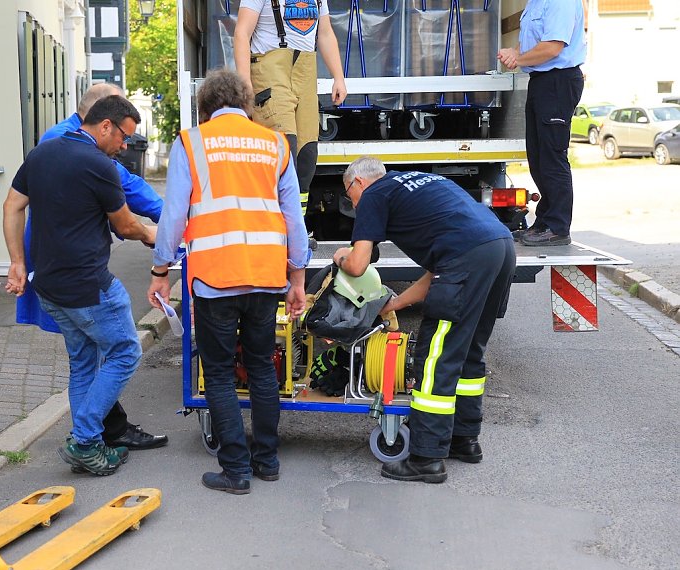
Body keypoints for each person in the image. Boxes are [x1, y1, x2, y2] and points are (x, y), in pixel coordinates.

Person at [148, 68, 310, 494]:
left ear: (205, 108)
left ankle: (236, 471)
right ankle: (268, 461)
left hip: (215, 278)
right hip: (265, 274)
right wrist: (298, 275)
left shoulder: (191, 142)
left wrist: (161, 270)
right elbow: (294, 217)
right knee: (260, 367)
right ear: (246, 103)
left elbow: (174, 216)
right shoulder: (274, 143)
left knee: (219, 373)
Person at [333, 157, 515, 484]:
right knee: (468, 350)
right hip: (499, 247)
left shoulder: (374, 194)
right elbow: (442, 269)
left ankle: (427, 457)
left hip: (468, 255)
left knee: (434, 358)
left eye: (350, 196)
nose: (354, 205)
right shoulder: (417, 182)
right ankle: (464, 440)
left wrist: (341, 258)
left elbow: (358, 265)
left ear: (357, 183)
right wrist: (395, 303)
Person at [3, 96, 157, 476]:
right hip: (90, 286)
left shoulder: (43, 153)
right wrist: (154, 234)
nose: (124, 146)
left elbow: (11, 206)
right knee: (125, 352)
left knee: (84, 362)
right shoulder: (99, 164)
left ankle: (88, 443)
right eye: (124, 137)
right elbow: (125, 225)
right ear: (105, 125)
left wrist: (18, 263)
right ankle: (85, 440)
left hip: (49, 285)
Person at [234, 0, 347, 222]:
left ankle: (295, 227)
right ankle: (272, 226)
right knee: (284, 150)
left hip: (305, 70)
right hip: (269, 69)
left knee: (306, 155)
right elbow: (241, 34)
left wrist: (339, 77)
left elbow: (325, 33)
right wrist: (245, 81)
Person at [498, 0, 586, 246]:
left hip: (558, 81)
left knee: (552, 155)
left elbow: (552, 48)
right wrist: (517, 52)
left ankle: (558, 227)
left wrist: (519, 59)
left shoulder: (561, 2)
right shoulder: (536, 2)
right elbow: (532, 40)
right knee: (538, 157)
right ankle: (544, 223)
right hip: (542, 81)